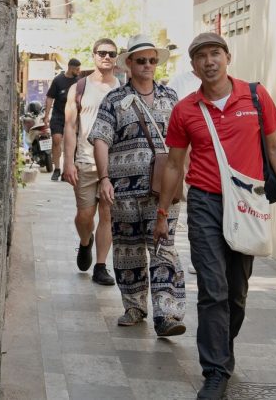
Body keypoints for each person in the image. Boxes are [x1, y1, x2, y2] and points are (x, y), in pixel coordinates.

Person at [153, 32, 276, 400]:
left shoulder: (255, 96)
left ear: (227, 57)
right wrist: (162, 212)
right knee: (212, 288)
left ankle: (222, 346)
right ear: (193, 66)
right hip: (205, 202)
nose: (209, 61)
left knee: (236, 292)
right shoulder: (185, 110)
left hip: (248, 203)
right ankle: (215, 371)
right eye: (201, 56)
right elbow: (173, 164)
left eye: (215, 53)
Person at [89, 35, 187, 334]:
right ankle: (134, 306)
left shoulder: (171, 97)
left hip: (164, 191)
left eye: (152, 60)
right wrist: (104, 178)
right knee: (128, 249)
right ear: (129, 64)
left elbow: (185, 141)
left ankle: (167, 315)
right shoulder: (114, 100)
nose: (147, 65)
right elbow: (101, 139)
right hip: (124, 191)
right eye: (141, 60)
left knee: (164, 248)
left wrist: (187, 171)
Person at [62, 39, 121, 285]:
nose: (106, 57)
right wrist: (68, 162)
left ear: (116, 57)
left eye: (111, 53)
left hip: (114, 163)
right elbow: (70, 125)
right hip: (85, 160)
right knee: (85, 215)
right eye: (102, 53)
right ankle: (85, 242)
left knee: (107, 215)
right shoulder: (80, 87)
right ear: (94, 55)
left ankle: (100, 266)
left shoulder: (123, 88)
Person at [44, 58, 82, 181]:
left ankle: (67, 170)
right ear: (70, 68)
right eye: (77, 69)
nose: (79, 71)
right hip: (58, 116)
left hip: (72, 117)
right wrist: (46, 116)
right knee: (56, 140)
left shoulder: (79, 82)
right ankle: (57, 169)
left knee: (69, 144)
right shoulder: (58, 80)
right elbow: (50, 97)